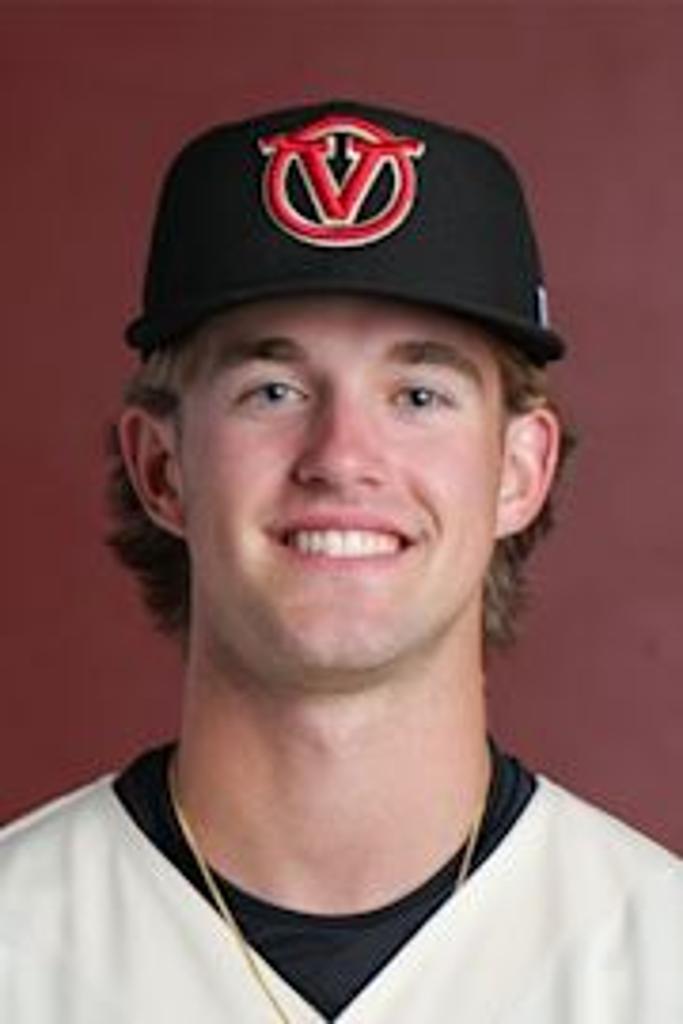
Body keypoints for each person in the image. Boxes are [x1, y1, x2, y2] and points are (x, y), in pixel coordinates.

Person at [1, 99, 681, 1023]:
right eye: (272, 390)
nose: (341, 456)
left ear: (519, 471)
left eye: (418, 394)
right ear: (162, 468)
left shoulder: (658, 959)